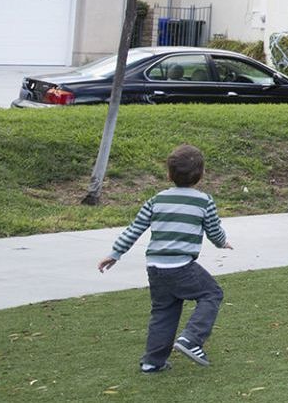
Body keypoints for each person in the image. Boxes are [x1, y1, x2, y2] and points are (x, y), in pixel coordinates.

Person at [98, 144, 231, 374]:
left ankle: (153, 361)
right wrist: (222, 242)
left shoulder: (157, 200)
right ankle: (192, 339)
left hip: (155, 267)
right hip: (181, 266)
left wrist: (115, 253)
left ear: (169, 174)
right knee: (212, 293)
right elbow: (214, 230)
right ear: (201, 175)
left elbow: (134, 229)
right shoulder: (203, 201)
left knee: (164, 311)